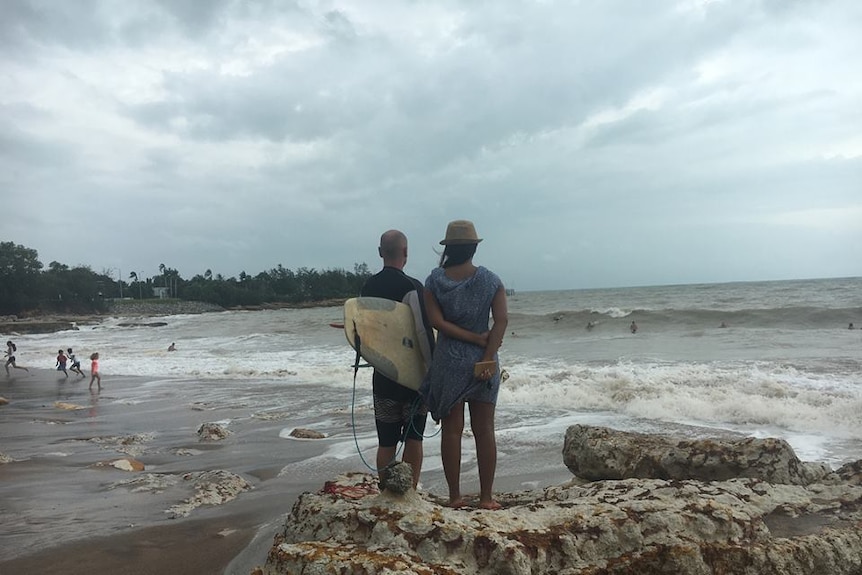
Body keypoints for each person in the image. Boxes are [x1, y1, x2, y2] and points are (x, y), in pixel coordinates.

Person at [420, 220, 508, 510]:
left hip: (449, 361)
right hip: (483, 360)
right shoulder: (491, 280)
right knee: (484, 430)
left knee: (452, 430)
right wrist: (486, 351)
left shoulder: (434, 281)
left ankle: (455, 496)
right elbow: (502, 320)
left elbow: (437, 323)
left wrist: (469, 338)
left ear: (448, 248)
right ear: (473, 247)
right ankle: (486, 497)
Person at [360, 229, 435, 488]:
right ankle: (409, 491)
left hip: (383, 373)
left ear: (381, 253)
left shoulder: (368, 286)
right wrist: (432, 370)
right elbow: (423, 332)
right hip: (412, 375)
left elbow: (363, 331)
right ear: (405, 252)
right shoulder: (412, 286)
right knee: (414, 437)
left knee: (387, 440)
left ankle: (387, 492)